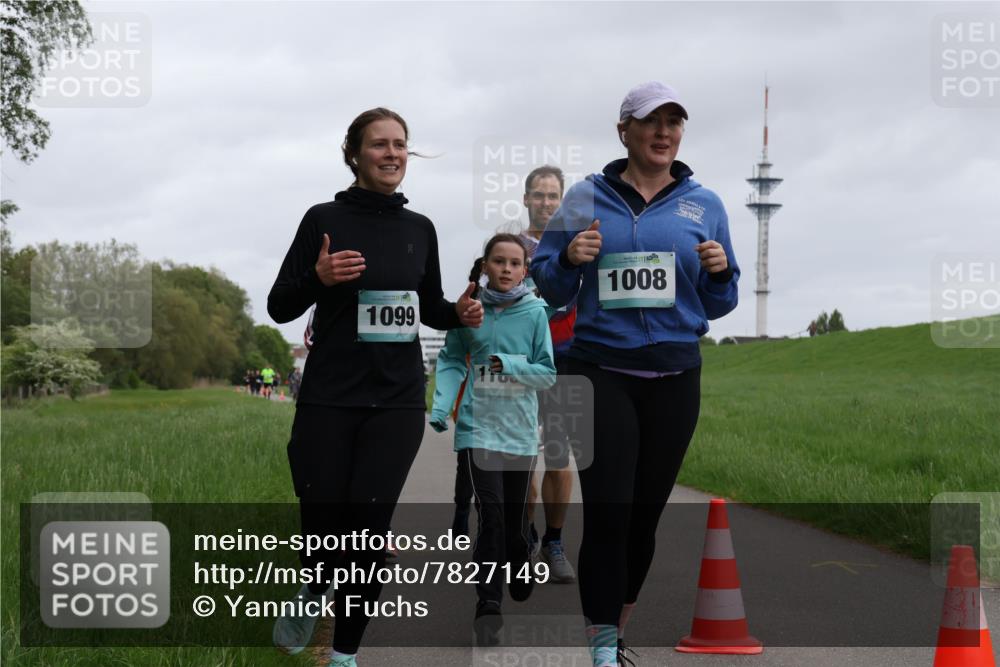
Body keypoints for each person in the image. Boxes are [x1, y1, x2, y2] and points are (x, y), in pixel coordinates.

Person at [531, 81, 739, 667]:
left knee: (645, 513)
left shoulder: (707, 205)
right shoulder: (583, 198)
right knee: (610, 508)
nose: (664, 132)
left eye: (674, 123)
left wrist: (721, 274)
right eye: (652, 122)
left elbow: (723, 302)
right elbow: (545, 281)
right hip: (599, 370)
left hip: (675, 373)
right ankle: (601, 644)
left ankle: (616, 626)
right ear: (624, 130)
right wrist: (568, 259)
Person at [267, 107, 483, 667]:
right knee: (323, 523)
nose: (392, 154)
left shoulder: (421, 229)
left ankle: (344, 654)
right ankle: (315, 587)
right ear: (355, 154)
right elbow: (278, 305)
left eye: (400, 145)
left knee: (368, 530)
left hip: (396, 400)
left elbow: (429, 307)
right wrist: (317, 278)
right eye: (380, 145)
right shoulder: (322, 219)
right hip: (329, 398)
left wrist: (458, 313)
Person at [430, 233, 556, 646]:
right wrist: (441, 405)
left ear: (524, 270)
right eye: (498, 261)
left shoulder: (536, 312)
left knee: (516, 525)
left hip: (519, 432)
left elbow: (547, 372)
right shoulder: (468, 310)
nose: (505, 269)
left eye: (514, 262)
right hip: (476, 428)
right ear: (484, 266)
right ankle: (488, 605)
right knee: (492, 517)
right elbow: (450, 358)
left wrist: (511, 364)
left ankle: (521, 553)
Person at [518, 165, 578, 584]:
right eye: (538, 195)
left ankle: (554, 542)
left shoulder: (577, 246)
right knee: (522, 463)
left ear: (563, 202)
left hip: (566, 363)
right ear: (526, 200)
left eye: (553, 196)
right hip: (520, 368)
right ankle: (526, 537)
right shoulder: (510, 248)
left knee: (558, 460)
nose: (545, 203)